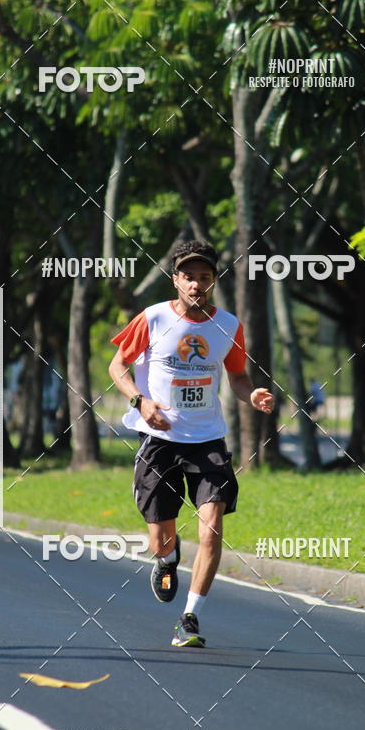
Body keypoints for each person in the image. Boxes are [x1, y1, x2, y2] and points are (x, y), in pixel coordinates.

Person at [108, 240, 275, 647]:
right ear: (176, 279)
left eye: (204, 277)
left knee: (212, 528)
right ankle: (167, 559)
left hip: (208, 440)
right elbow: (117, 366)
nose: (196, 284)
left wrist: (250, 395)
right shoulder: (152, 318)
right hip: (160, 438)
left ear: (214, 281)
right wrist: (139, 400)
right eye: (189, 276)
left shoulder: (228, 327)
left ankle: (190, 618)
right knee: (161, 536)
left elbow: (236, 377)